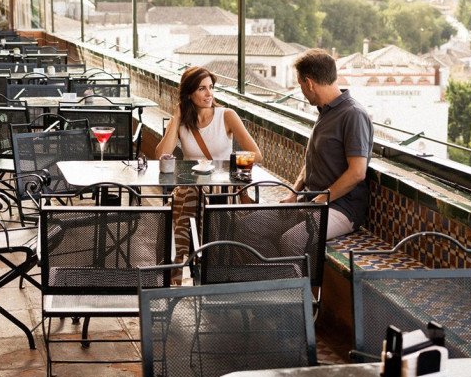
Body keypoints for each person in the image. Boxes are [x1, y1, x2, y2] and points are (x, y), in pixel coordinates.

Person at [156, 67, 263, 268]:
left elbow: (256, 155)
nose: (209, 94)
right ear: (189, 94)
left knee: (198, 197)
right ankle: (190, 263)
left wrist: (224, 165)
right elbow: (161, 156)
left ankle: (200, 262)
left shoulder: (227, 116)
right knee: (186, 199)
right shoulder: (181, 121)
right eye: (201, 89)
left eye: (211, 88)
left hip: (223, 189)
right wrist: (177, 118)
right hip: (190, 189)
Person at [283, 48, 372, 239]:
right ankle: (272, 269)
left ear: (309, 83)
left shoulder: (353, 114)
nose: (302, 91)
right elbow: (312, 160)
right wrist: (294, 192)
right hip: (311, 201)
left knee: (292, 240)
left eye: (301, 85)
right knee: (251, 226)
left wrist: (321, 200)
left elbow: (357, 172)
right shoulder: (326, 111)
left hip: (341, 209)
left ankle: (293, 269)